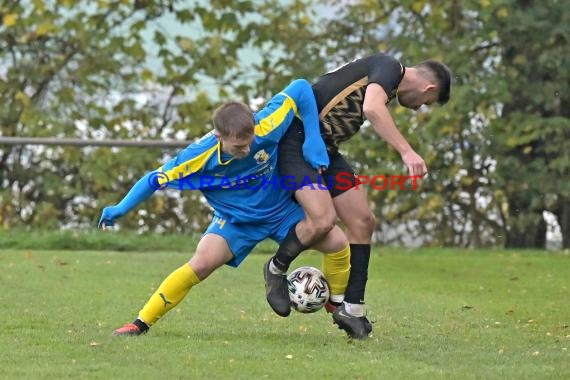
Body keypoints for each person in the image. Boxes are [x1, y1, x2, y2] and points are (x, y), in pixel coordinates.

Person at [98, 79, 353, 336]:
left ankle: (336, 306)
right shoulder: (197, 157)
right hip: (235, 223)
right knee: (200, 264)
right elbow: (153, 180)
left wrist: (312, 137)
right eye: (238, 147)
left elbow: (299, 88)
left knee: (338, 243)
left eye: (250, 142)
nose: (247, 149)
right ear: (219, 137)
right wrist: (120, 208)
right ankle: (140, 323)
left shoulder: (265, 124)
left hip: (282, 213)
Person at [263, 53, 452, 339]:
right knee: (324, 219)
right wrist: (406, 151)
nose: (417, 109)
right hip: (298, 140)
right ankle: (276, 268)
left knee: (363, 221)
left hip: (326, 149)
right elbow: (373, 108)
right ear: (429, 89)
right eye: (425, 104)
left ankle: (352, 308)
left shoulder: (386, 78)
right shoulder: (390, 68)